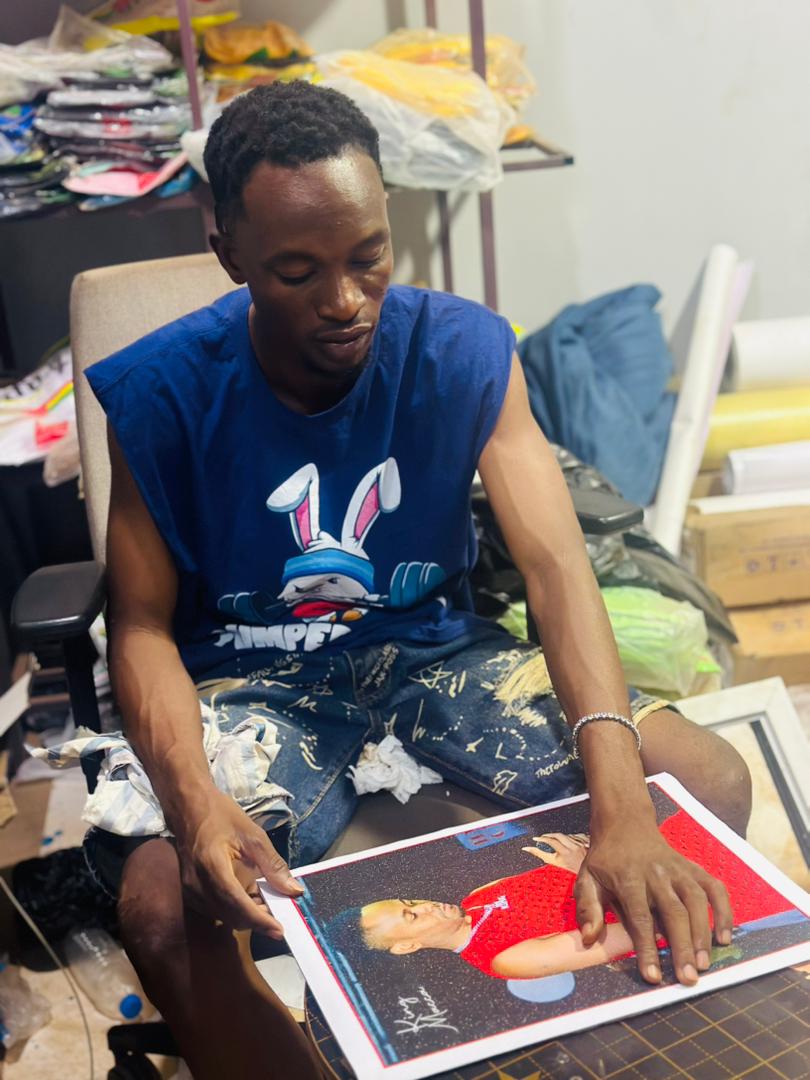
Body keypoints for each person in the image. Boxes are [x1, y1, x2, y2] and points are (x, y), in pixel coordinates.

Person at [82, 80, 751, 1078]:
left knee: (705, 780)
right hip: (251, 682)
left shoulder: (462, 350)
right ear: (229, 253)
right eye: (298, 272)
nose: (344, 301)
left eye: (368, 258)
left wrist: (622, 805)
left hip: (432, 656)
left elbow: (555, 567)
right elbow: (139, 626)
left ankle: (580, 1039)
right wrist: (193, 800)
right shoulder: (163, 391)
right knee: (161, 911)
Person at [357, 815, 793, 979]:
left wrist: (589, 851)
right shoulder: (505, 960)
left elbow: (581, 862)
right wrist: (591, 867)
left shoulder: (478, 895)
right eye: (411, 917)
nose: (423, 905)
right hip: (697, 892)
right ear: (407, 946)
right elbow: (647, 931)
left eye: (409, 901)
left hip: (669, 842)